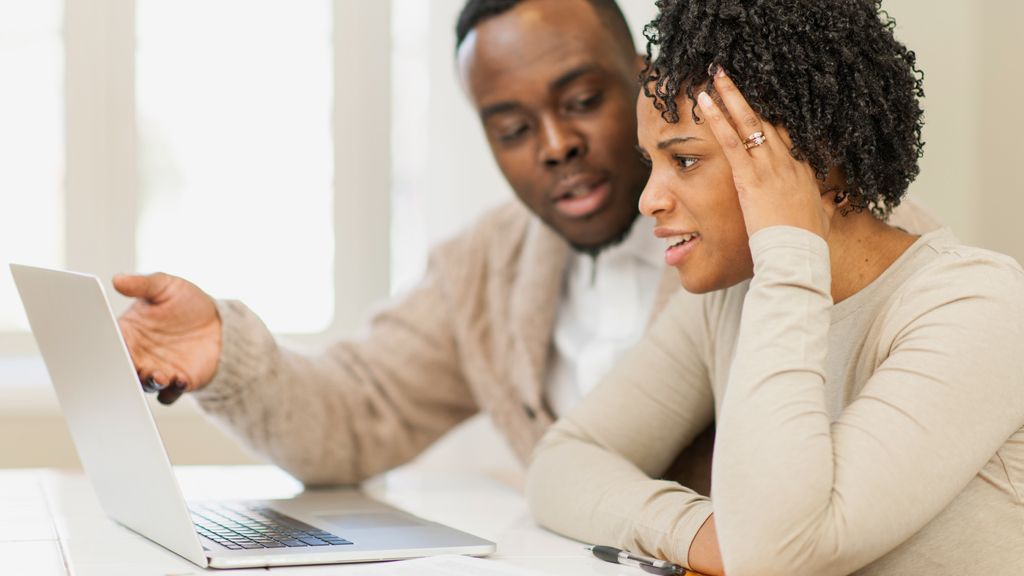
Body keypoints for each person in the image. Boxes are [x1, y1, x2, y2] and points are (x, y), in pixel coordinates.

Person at [114, 0, 934, 490]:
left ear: (650, 80)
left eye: (582, 99)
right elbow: (357, 413)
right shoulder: (486, 266)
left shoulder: (793, 237)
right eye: (510, 128)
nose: (553, 145)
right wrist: (228, 353)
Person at [525, 1, 1024, 575]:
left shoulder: (977, 306)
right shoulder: (729, 298)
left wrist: (790, 247)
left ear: (816, 159)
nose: (648, 200)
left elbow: (772, 556)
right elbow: (562, 463)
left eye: (685, 161)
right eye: (650, 164)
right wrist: (701, 533)